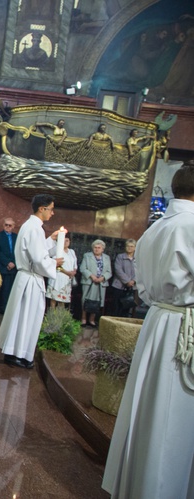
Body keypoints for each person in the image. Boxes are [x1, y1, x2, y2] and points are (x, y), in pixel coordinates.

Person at [102, 164, 194, 498]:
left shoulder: (154, 229)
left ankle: (136, 484)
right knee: (173, 415)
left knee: (148, 406)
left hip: (158, 320)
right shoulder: (192, 224)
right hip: (183, 323)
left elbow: (142, 285)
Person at [0, 194, 63, 369]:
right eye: (51, 209)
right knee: (26, 318)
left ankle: (13, 353)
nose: (52, 213)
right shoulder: (34, 228)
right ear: (42, 208)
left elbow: (35, 250)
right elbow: (38, 259)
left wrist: (51, 240)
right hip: (31, 280)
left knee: (20, 317)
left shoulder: (30, 226)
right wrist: (55, 263)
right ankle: (19, 354)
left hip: (25, 277)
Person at [79, 239, 112, 327]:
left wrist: (102, 278)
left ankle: (92, 320)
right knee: (85, 300)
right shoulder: (87, 256)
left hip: (101, 283)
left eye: (99, 248)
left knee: (97, 301)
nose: (97, 249)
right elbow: (82, 268)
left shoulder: (106, 257)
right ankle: (83, 319)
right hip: (89, 282)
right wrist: (92, 276)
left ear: (102, 249)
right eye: (95, 247)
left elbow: (109, 272)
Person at [0, 217, 18, 313]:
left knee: (7, 290)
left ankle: (3, 309)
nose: (8, 227)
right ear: (3, 225)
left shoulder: (16, 237)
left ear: (13, 226)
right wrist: (7, 262)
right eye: (6, 225)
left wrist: (13, 262)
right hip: (1, 267)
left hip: (12, 268)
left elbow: (19, 252)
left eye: (10, 225)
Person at [107, 239, 137, 317]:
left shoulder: (138, 259)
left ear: (135, 248)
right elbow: (118, 270)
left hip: (131, 287)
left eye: (132, 246)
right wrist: (127, 281)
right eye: (128, 246)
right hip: (119, 286)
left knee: (126, 307)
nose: (130, 248)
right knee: (116, 306)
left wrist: (133, 281)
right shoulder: (120, 257)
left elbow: (140, 271)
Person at [46, 234, 77, 308]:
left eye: (67, 240)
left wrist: (74, 271)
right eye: (63, 241)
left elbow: (75, 264)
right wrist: (66, 272)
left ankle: (60, 318)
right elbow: (55, 265)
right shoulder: (56, 251)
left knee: (63, 300)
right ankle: (51, 317)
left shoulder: (72, 252)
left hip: (67, 279)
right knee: (54, 299)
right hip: (57, 277)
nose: (65, 242)